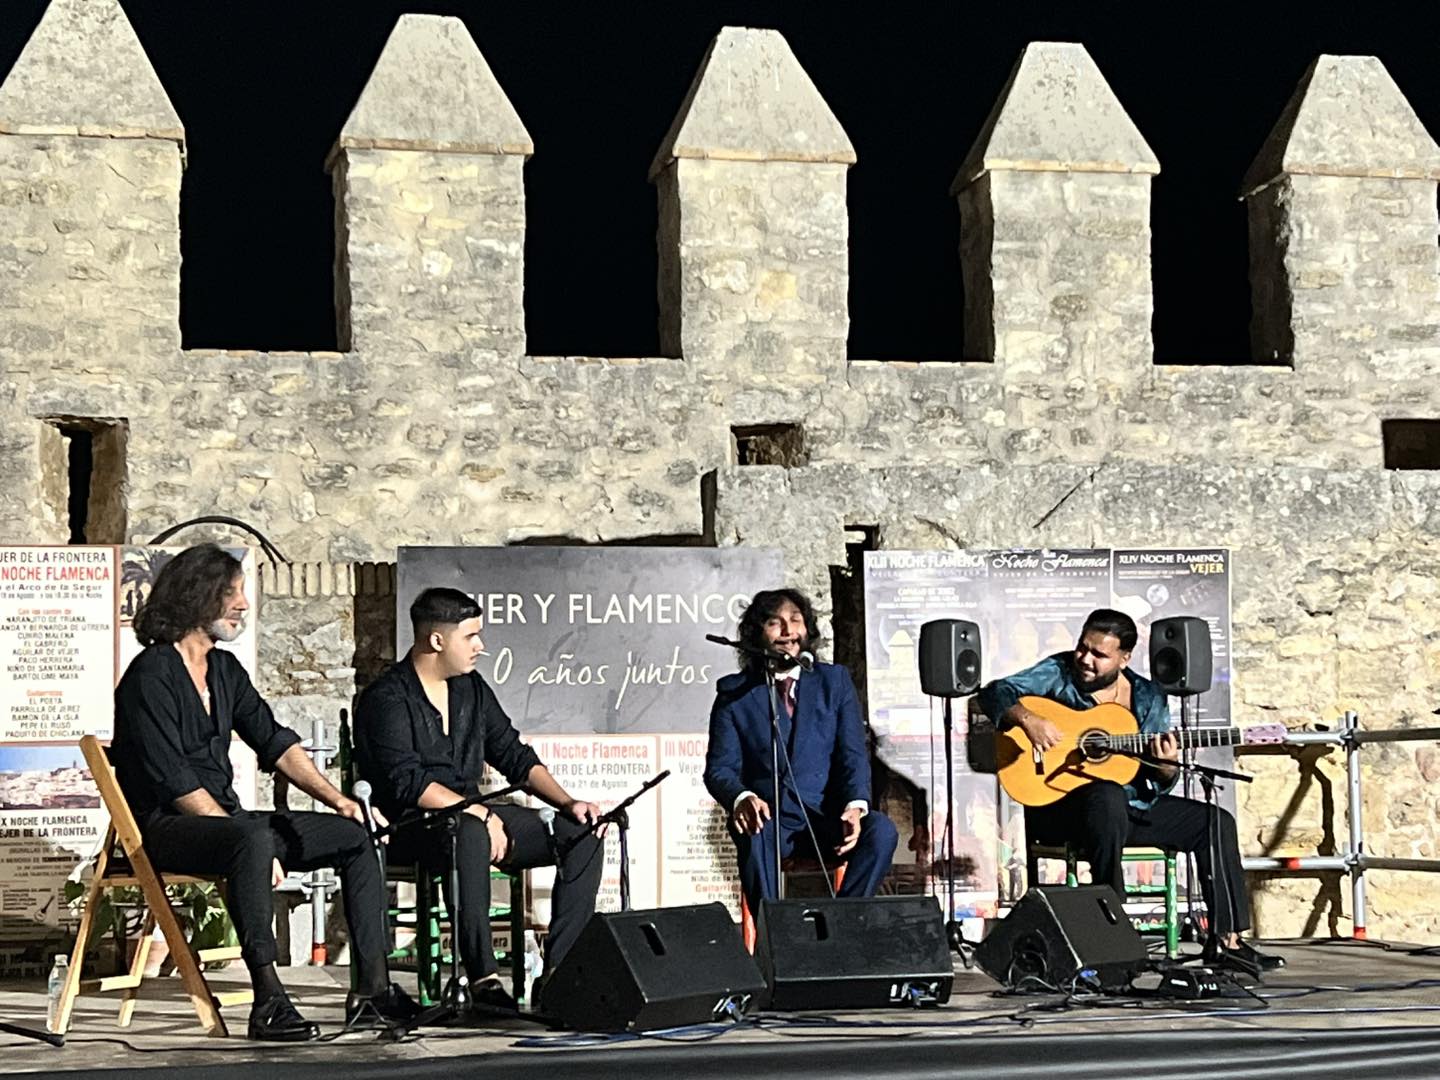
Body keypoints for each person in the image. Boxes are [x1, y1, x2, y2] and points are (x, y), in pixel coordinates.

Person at [110, 544, 416, 1042]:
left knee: (354, 835)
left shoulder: (225, 671)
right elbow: (174, 780)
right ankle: (269, 1000)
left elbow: (276, 743)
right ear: (196, 598)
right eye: (232, 593)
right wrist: (243, 839)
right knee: (250, 840)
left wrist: (339, 800)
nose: (243, 605)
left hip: (227, 824)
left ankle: (371, 992)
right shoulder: (152, 675)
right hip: (166, 827)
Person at [977, 608, 1283, 973]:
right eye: (1082, 648)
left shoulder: (1148, 696)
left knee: (1214, 820)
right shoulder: (1059, 673)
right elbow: (995, 692)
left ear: (1124, 658)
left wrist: (1167, 764)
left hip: (1126, 808)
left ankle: (1226, 940)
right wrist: (1029, 720)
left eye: (1099, 655)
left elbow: (1157, 779)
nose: (1085, 660)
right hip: (1061, 810)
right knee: (1104, 796)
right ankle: (1114, 931)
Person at [353, 587, 604, 1012]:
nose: (480, 646)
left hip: (472, 817)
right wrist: (480, 813)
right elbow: (406, 784)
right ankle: (483, 979)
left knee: (582, 833)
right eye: (471, 636)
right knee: (468, 832)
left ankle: (558, 974)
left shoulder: (470, 689)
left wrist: (567, 803)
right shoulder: (387, 698)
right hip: (414, 826)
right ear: (437, 640)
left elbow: (513, 755)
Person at [704, 588, 898, 914]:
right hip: (770, 823)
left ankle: (843, 922)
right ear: (757, 633)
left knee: (881, 831)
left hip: (827, 819)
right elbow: (719, 769)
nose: (788, 631)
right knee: (753, 831)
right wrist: (741, 797)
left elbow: (852, 754)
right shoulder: (734, 694)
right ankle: (776, 936)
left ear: (807, 631)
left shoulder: (832, 682)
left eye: (796, 621)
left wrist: (855, 806)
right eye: (775, 623)